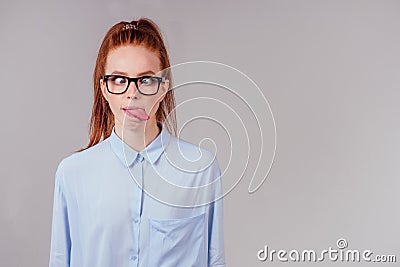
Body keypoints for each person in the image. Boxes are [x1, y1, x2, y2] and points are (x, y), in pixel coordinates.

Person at [49, 18, 225, 267]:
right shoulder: (72, 173)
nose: (133, 93)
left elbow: (214, 260)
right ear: (104, 88)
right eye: (119, 80)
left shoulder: (200, 170)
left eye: (146, 80)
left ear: (163, 88)